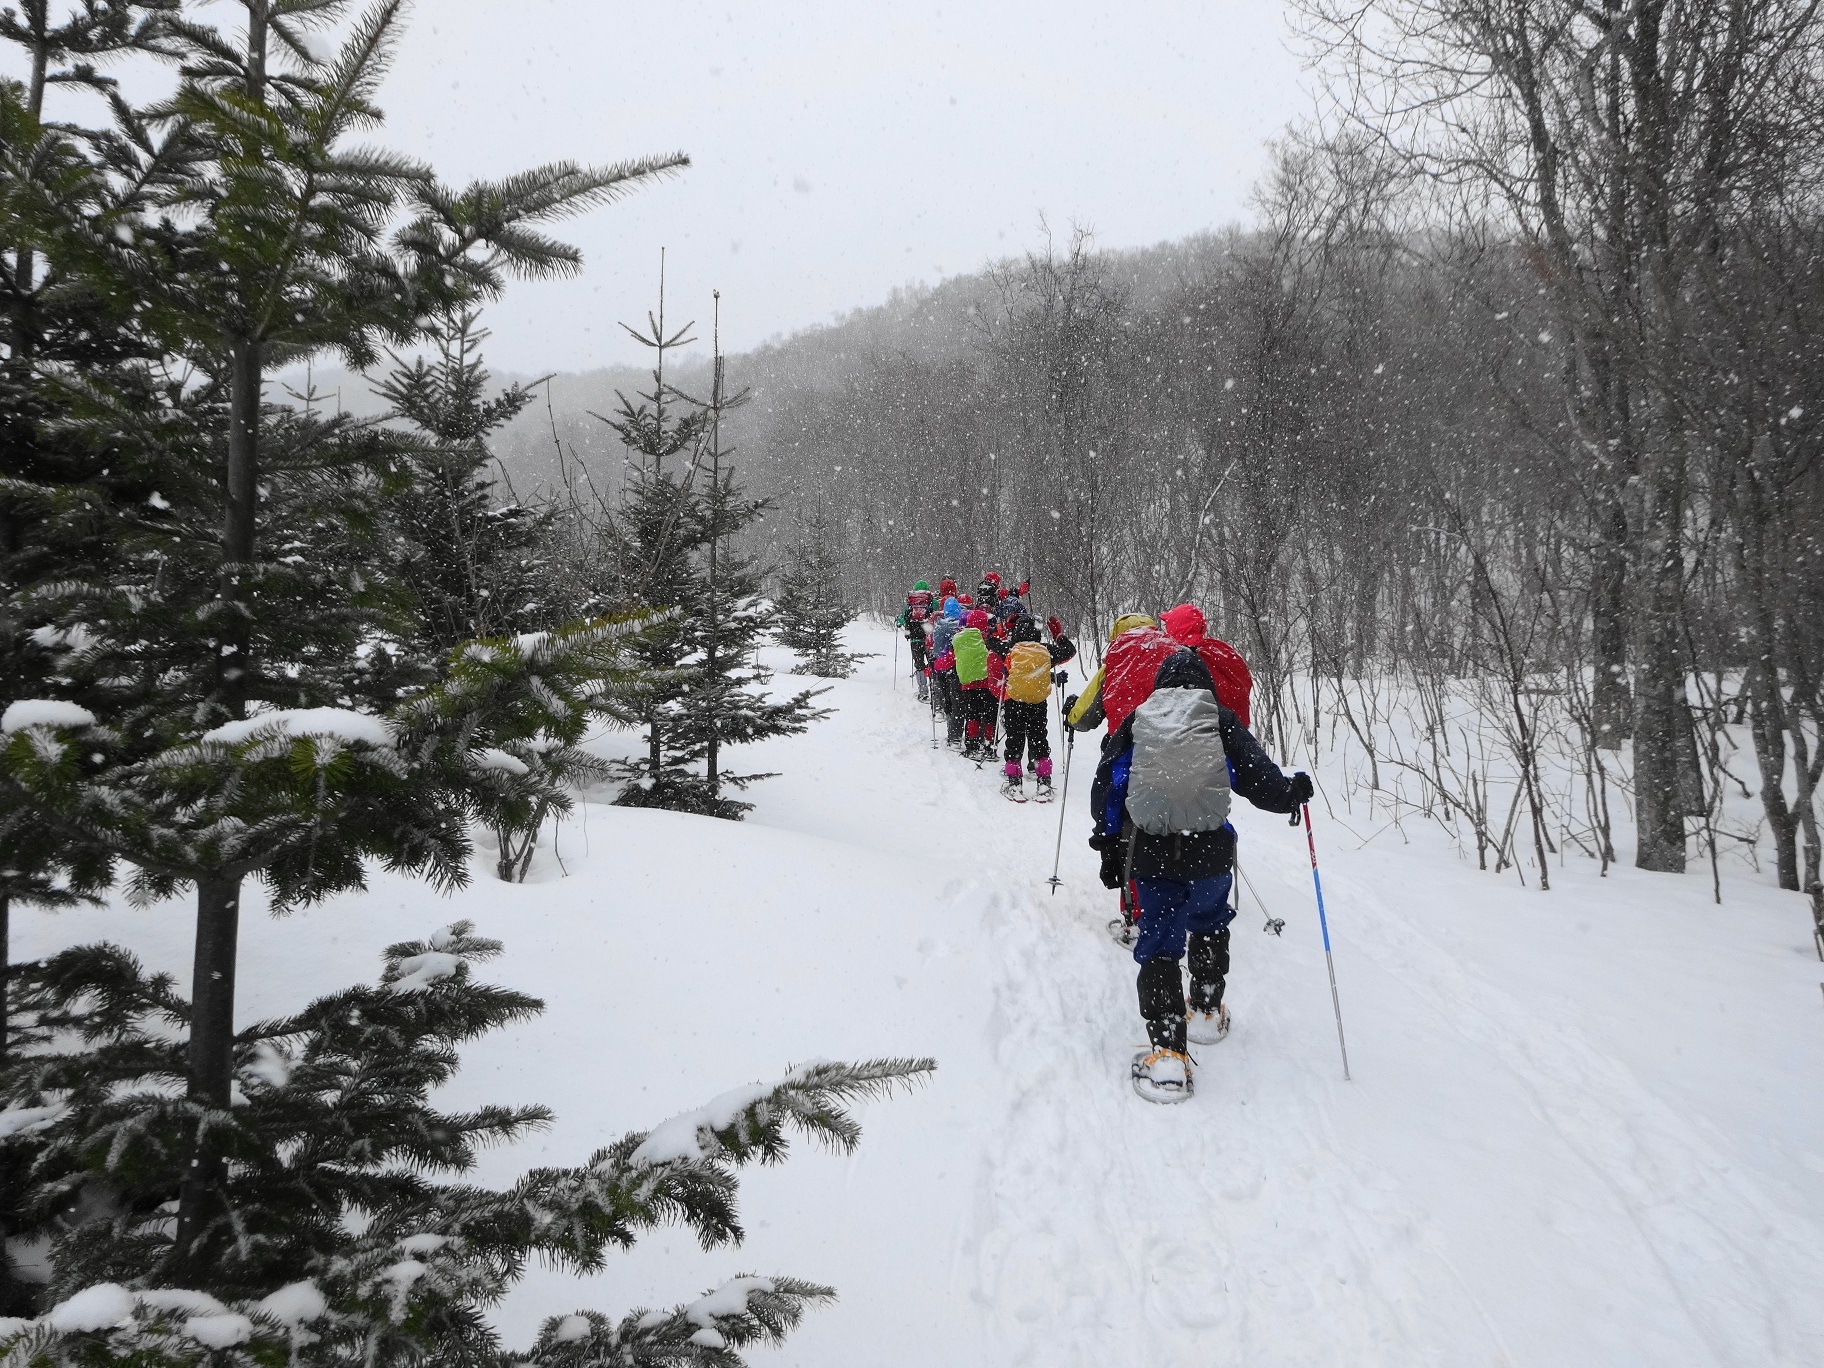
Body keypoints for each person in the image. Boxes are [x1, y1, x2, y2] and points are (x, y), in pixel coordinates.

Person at [1088, 646, 1312, 1103]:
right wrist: (1291, 794)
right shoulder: (1219, 718)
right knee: (1209, 922)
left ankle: (1169, 1057)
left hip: (1153, 852)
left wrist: (1108, 841)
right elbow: (1255, 776)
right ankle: (1207, 1011)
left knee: (1160, 945)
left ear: (1161, 683)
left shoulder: (1139, 719)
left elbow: (1109, 782)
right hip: (1209, 849)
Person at [998, 613, 1077, 801]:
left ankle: (1015, 783)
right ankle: (1043, 783)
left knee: (1014, 741)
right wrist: (1058, 635)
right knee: (1039, 739)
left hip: (1014, 701)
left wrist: (1002, 630)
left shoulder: (1011, 648)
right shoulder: (1046, 650)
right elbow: (1069, 651)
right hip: (1037, 702)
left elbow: (991, 644)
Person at [953, 607, 998, 759]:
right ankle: (989, 746)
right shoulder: (988, 638)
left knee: (972, 714)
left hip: (968, 684)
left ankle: (972, 745)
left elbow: (952, 657)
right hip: (988, 683)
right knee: (990, 715)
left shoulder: (960, 639)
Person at [929, 597, 966, 748]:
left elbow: (935, 647)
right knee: (958, 701)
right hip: (958, 667)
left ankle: (951, 729)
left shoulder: (939, 626)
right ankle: (955, 735)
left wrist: (938, 662)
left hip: (942, 667)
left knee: (946, 698)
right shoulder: (962, 627)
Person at [898, 580, 935, 701]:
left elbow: (902, 619)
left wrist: (900, 622)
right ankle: (935, 690)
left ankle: (923, 691)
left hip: (915, 639)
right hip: (929, 638)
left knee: (919, 664)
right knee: (932, 663)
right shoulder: (931, 601)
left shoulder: (910, 603)